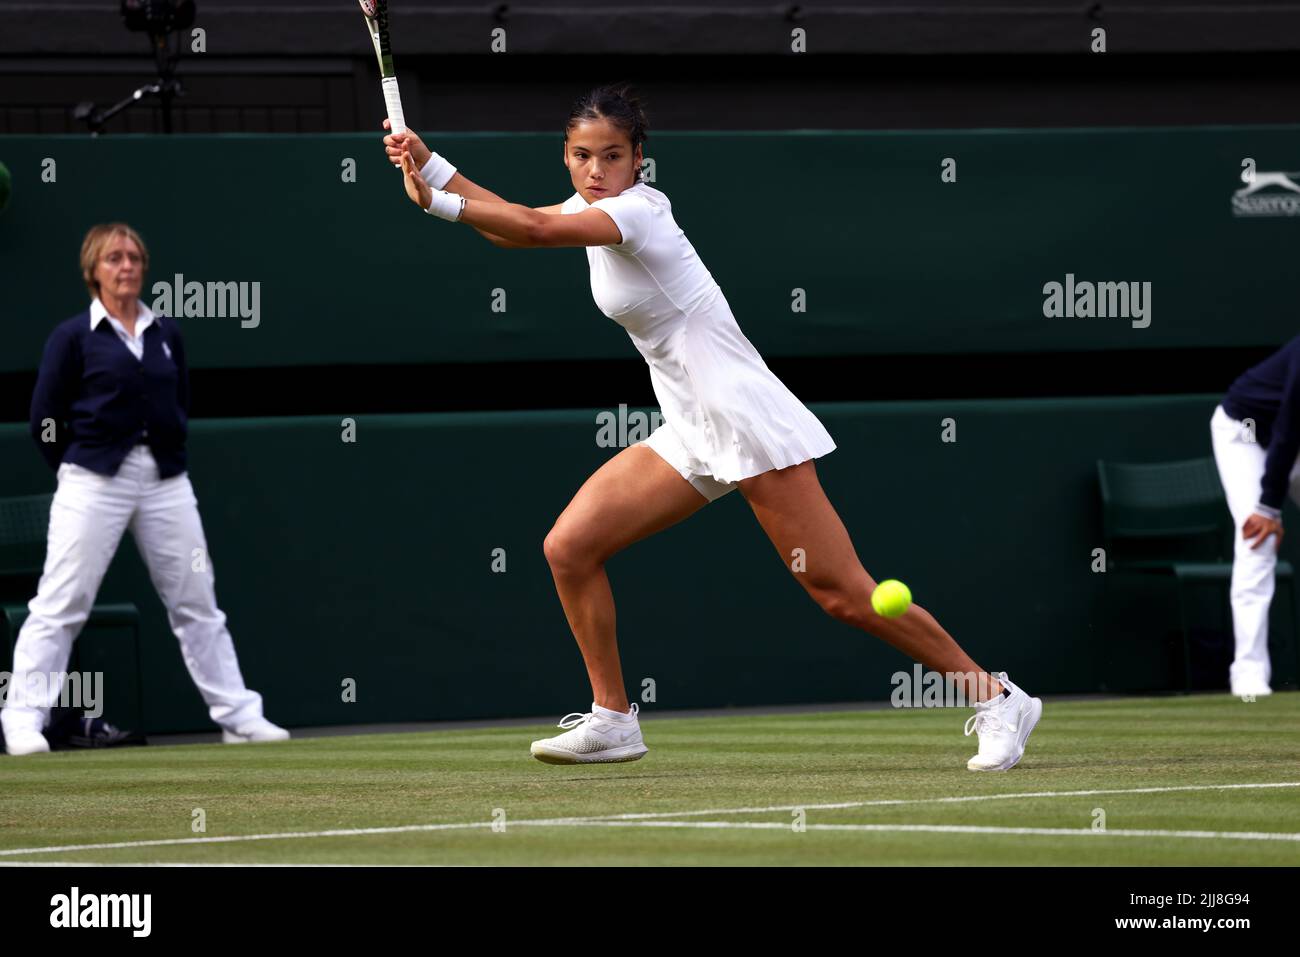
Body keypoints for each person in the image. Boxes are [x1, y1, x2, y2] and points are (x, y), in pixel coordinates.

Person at [382, 84, 1042, 770]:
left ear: (639, 158)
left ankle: (996, 696)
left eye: (612, 155)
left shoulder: (637, 212)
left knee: (842, 592)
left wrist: (439, 203)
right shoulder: (588, 205)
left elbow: (534, 229)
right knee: (569, 547)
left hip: (745, 417)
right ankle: (612, 717)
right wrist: (430, 168)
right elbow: (511, 222)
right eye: (582, 155)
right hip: (691, 428)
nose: (595, 169)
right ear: (567, 158)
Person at [1, 223, 288, 756]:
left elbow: (178, 400)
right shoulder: (72, 337)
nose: (127, 266)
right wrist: (73, 467)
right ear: (94, 271)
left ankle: (239, 716)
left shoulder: (166, 334)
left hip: (164, 481)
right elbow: (44, 416)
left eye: (133, 257)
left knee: (197, 601)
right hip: (90, 480)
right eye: (114, 258)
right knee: (61, 601)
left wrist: (163, 453)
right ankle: (23, 719)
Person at [1210, 333, 1300, 698]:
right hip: (1242, 433)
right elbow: (1288, 430)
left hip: (1287, 442)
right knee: (1257, 541)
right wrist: (1267, 507)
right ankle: (1249, 675)